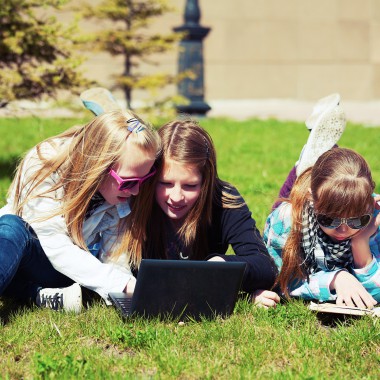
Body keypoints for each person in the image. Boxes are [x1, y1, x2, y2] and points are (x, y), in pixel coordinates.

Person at [0, 110, 161, 312]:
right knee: (10, 227)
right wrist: (121, 283)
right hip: (22, 251)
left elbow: (113, 255)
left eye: (142, 181)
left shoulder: (120, 190)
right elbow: (55, 245)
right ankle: (38, 295)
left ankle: (35, 293)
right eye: (128, 182)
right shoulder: (45, 163)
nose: (136, 191)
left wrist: (128, 286)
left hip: (65, 269)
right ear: (99, 166)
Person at [118, 119, 278, 295]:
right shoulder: (133, 197)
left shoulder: (224, 200)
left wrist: (221, 266)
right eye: (165, 183)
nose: (176, 197)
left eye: (190, 186)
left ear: (206, 182)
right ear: (150, 178)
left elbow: (265, 266)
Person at [263, 147, 380, 309]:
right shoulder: (286, 220)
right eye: (329, 219)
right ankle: (301, 167)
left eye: (356, 221)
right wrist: (334, 279)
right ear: (313, 199)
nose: (344, 230)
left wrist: (360, 242)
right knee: (286, 199)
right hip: (298, 214)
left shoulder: (373, 217)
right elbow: (281, 280)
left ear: (369, 205)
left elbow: (377, 291)